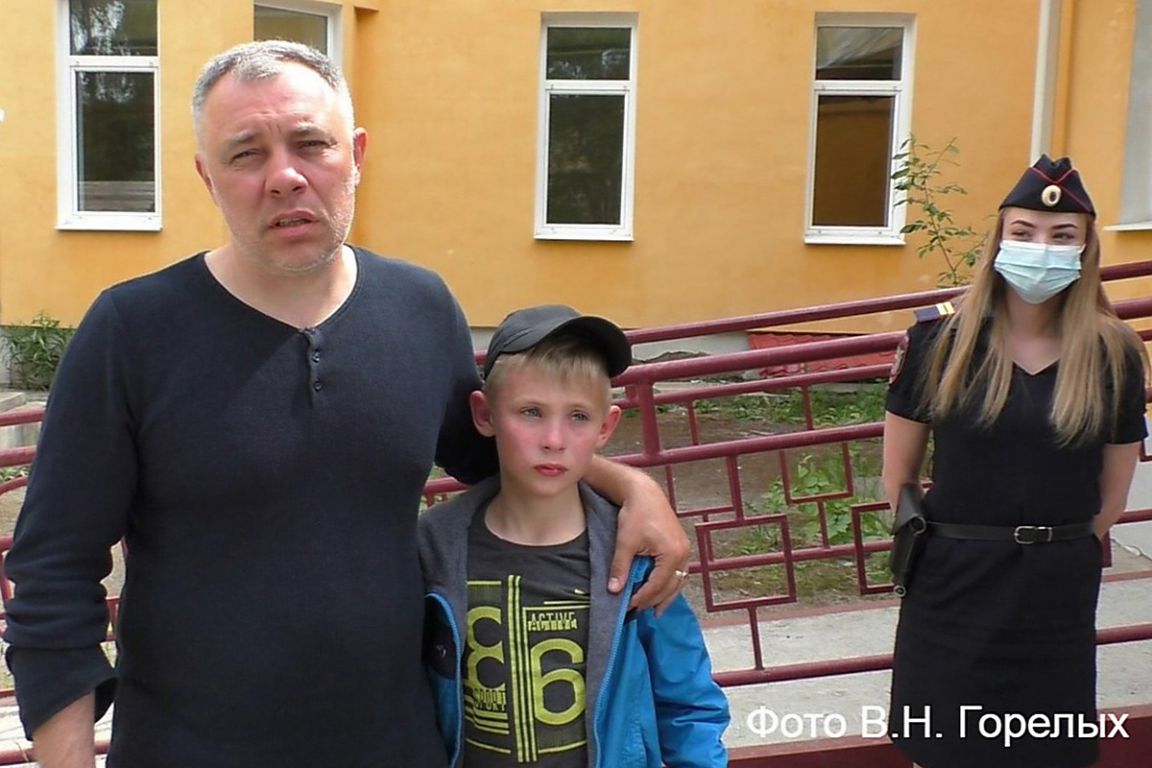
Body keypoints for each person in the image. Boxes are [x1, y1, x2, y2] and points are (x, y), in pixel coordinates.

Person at [3, 41, 690, 768]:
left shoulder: (420, 309)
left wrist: (631, 488)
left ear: (355, 154)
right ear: (208, 176)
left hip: (397, 744)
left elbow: (496, 456)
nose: (285, 176)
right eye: (247, 154)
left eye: (311, 144)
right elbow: (54, 573)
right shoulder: (133, 330)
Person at [882, 155, 1148, 768]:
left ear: (1085, 250)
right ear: (998, 239)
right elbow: (898, 479)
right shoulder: (937, 341)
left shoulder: (1113, 353)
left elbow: (1111, 497)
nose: (1040, 249)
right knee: (944, 749)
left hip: (1055, 588)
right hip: (953, 580)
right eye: (1023, 232)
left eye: (1062, 235)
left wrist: (1051, 549)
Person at [419, 305, 730, 767]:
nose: (554, 439)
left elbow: (688, 703)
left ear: (606, 427)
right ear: (484, 415)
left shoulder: (636, 555)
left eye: (579, 416)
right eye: (531, 412)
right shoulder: (433, 548)